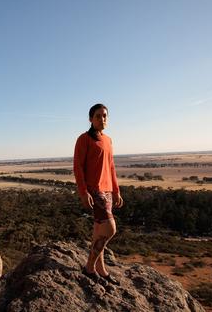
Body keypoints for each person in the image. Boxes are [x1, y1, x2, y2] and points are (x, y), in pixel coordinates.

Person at [73, 103, 123, 286]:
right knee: (110, 229)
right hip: (95, 191)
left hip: (108, 190)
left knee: (98, 233)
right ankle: (88, 267)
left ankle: (100, 270)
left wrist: (116, 191)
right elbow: (78, 167)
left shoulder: (108, 140)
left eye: (105, 116)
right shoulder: (84, 139)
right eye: (98, 116)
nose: (102, 119)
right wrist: (83, 192)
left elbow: (111, 167)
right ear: (90, 119)